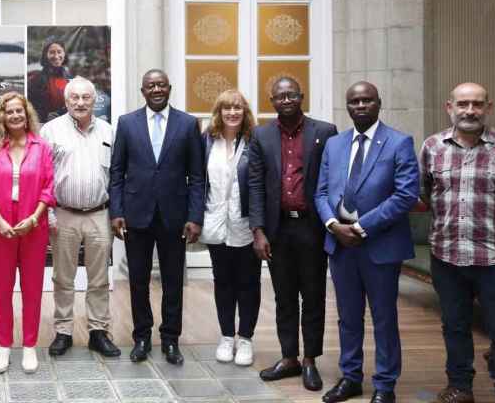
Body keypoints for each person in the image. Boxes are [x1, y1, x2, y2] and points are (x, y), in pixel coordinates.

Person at [316, 82, 420, 403]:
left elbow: (406, 195)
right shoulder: (334, 144)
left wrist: (361, 226)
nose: (360, 105)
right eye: (354, 101)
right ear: (347, 106)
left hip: (379, 245)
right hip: (340, 245)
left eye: (367, 100)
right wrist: (334, 225)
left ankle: (385, 385)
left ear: (378, 103)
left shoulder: (399, 143)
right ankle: (351, 377)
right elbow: (320, 192)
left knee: (384, 317)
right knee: (348, 316)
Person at [421, 82, 495, 403]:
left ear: (488, 108)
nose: (470, 111)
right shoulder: (432, 147)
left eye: (477, 104)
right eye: (463, 104)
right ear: (449, 107)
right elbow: (426, 194)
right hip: (447, 257)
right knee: (454, 327)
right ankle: (460, 387)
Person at [109, 69, 205, 365]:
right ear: (143, 91)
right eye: (151, 85)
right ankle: (141, 337)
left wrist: (195, 216)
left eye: (161, 84)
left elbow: (197, 176)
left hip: (174, 217)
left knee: (173, 281)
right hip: (137, 216)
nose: (157, 89)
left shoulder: (188, 124)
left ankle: (171, 339)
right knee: (137, 280)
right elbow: (116, 173)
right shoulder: (127, 124)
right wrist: (117, 212)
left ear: (170, 87)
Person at [248, 76, 337, 392]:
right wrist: (258, 231)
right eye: (279, 96)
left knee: (313, 295)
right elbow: (255, 184)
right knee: (284, 296)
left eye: (291, 95)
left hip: (311, 227)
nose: (286, 100)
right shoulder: (260, 135)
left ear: (302, 97)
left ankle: (310, 358)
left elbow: (332, 180)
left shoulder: (324, 132)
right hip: (278, 228)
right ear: (271, 101)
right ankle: (289, 357)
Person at [40, 76, 120, 359]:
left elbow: (117, 178)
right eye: (74, 97)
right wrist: (48, 212)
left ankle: (98, 332)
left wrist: (117, 215)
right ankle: (63, 331)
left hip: (100, 214)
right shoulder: (50, 131)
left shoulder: (110, 132)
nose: (81, 102)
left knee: (100, 278)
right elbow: (42, 177)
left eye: (86, 97)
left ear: (95, 100)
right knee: (63, 277)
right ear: (66, 101)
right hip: (64, 214)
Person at [0, 92, 56, 373]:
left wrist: (34, 219)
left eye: (19, 111)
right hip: (1, 229)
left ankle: (29, 347)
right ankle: (3, 347)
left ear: (27, 114)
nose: (14, 116)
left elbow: (49, 187)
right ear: (2, 116)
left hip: (33, 228)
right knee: (2, 291)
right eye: (9, 112)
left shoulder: (42, 147)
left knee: (32, 290)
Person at [201, 89, 260, 367]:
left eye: (238, 108)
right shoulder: (207, 140)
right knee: (222, 282)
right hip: (216, 222)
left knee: (248, 283)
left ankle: (246, 339)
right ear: (219, 112)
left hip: (245, 223)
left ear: (245, 112)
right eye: (227, 108)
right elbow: (199, 181)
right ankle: (226, 337)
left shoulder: (254, 141)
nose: (232, 113)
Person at [27, 39, 73, 121]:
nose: (56, 56)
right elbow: (30, 107)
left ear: (64, 54)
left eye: (59, 52)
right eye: (52, 52)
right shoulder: (36, 79)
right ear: (45, 55)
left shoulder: (69, 78)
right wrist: (45, 116)